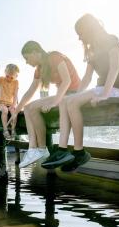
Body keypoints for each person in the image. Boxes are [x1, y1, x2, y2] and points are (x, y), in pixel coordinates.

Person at [42, 14, 119, 172]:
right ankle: (62, 150)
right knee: (65, 101)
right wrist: (76, 94)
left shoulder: (111, 40)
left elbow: (115, 68)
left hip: (117, 89)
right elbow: (87, 77)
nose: (79, 38)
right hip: (101, 88)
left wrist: (104, 94)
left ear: (88, 29)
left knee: (72, 102)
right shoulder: (92, 50)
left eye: (80, 33)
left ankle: (79, 152)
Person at [7, 40, 80, 168]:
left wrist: (54, 102)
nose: (26, 62)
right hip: (63, 95)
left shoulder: (55, 57)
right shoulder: (39, 69)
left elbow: (67, 81)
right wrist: (16, 112)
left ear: (35, 52)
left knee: (32, 108)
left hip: (74, 94)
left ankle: (40, 149)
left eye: (27, 58)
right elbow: (30, 91)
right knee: (28, 108)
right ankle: (34, 149)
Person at [0, 63, 19, 139]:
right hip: (1, 103)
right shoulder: (2, 79)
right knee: (5, 110)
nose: (9, 78)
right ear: (5, 72)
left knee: (14, 112)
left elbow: (15, 95)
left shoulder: (16, 82)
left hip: (10, 103)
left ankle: (13, 129)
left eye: (11, 77)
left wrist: (13, 105)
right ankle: (5, 130)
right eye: (7, 76)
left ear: (16, 76)